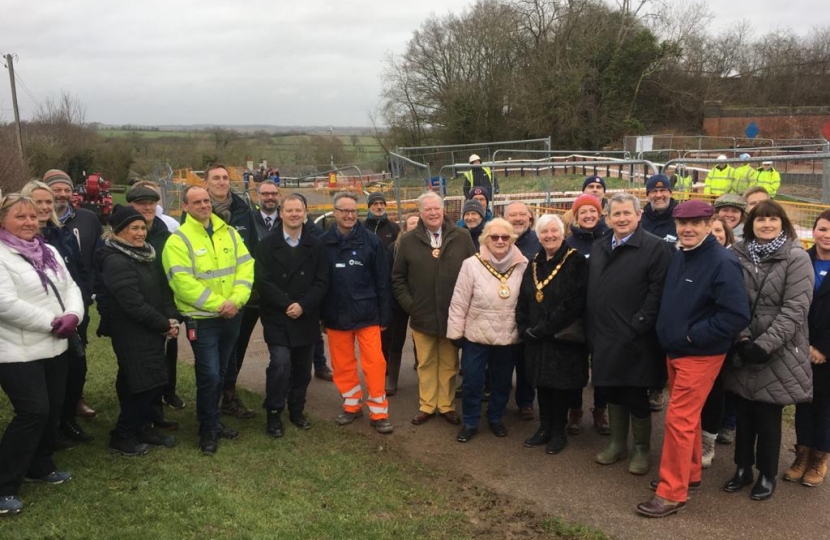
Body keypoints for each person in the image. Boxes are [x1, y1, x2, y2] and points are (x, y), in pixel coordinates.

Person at [636, 200, 749, 518]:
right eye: (682, 223)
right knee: (688, 420)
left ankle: (671, 492)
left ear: (708, 223)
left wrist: (692, 336)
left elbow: (736, 314)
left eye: (696, 223)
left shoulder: (722, 262)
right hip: (676, 351)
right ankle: (689, 474)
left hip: (699, 354)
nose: (687, 229)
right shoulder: (682, 254)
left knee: (679, 420)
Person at [723, 200, 813, 501]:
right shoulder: (736, 254)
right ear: (751, 224)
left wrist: (765, 344)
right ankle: (742, 467)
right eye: (761, 220)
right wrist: (744, 338)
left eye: (773, 220)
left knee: (768, 413)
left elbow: (796, 307)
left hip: (780, 347)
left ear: (782, 223)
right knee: (744, 409)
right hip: (744, 341)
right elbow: (731, 298)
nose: (766, 225)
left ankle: (767, 473)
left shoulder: (796, 258)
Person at [0, 194, 83, 515]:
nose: (29, 222)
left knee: (53, 408)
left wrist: (73, 315)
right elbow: (5, 304)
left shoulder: (47, 251)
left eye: (33, 217)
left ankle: (40, 464)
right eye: (20, 217)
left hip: (55, 344)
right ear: (3, 220)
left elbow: (71, 287)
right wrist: (52, 322)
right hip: (15, 350)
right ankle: (5, 483)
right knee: (33, 411)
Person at [162, 186, 254, 455]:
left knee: (223, 371)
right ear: (186, 206)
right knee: (210, 374)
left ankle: (212, 420)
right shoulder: (178, 240)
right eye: (197, 202)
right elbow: (182, 283)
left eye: (206, 201)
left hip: (231, 316)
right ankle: (208, 429)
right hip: (202, 319)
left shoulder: (230, 232)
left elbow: (246, 266)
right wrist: (219, 304)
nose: (203, 205)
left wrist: (235, 300)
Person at [587, 193, 673, 476]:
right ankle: (616, 444)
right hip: (604, 335)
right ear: (607, 218)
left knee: (635, 394)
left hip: (637, 337)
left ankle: (641, 449)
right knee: (611, 388)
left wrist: (638, 325)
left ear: (639, 216)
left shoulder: (656, 248)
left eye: (627, 213)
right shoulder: (600, 247)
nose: (622, 218)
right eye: (616, 214)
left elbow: (657, 293)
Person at [96, 206, 180, 455]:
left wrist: (170, 317)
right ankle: (122, 435)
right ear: (120, 231)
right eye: (134, 228)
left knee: (148, 382)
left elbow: (161, 289)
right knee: (141, 384)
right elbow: (132, 304)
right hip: (131, 332)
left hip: (150, 329)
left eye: (143, 227)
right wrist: (163, 324)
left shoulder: (144, 255)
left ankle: (140, 428)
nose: (140, 232)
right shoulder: (115, 260)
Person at [20, 181, 94, 447]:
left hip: (73, 315)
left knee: (75, 370)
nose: (43, 207)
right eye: (37, 202)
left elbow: (77, 273)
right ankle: (47, 431)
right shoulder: (20, 239)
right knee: (46, 381)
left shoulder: (59, 234)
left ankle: (65, 420)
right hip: (40, 321)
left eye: (47, 202)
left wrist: (82, 305)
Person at [393, 192, 476, 426]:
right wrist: (412, 306)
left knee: (450, 364)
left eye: (436, 208)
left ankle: (447, 405)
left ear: (444, 210)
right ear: (420, 213)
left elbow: (474, 273)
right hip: (422, 316)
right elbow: (398, 278)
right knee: (426, 362)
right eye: (427, 209)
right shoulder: (408, 241)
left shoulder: (462, 236)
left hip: (453, 316)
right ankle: (428, 405)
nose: (432, 213)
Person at [447, 218, 528, 442]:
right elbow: (459, 300)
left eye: (505, 237)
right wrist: (455, 331)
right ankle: (471, 422)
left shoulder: (523, 264)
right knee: (473, 382)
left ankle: (495, 417)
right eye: (494, 237)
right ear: (485, 239)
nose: (500, 241)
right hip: (476, 335)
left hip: (508, 335)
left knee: (502, 382)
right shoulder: (471, 264)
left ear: (512, 239)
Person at [255, 194, 329, 438]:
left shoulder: (316, 245)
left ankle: (297, 410)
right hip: (278, 316)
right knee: (280, 364)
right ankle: (274, 413)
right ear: (281, 213)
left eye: (299, 210)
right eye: (290, 210)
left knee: (302, 368)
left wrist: (304, 305)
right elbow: (263, 281)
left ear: (306, 213)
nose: (295, 214)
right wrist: (288, 304)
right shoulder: (266, 245)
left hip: (306, 317)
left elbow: (322, 281)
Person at [320, 192, 393, 434]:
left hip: (367, 314)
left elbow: (383, 280)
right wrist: (322, 315)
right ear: (335, 213)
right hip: (335, 315)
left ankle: (379, 412)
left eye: (353, 211)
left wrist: (384, 316)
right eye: (344, 211)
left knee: (374, 364)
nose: (350, 215)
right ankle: (351, 406)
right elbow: (319, 282)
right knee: (342, 365)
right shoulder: (323, 242)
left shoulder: (371, 242)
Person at [516, 214, 589, 454]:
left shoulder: (576, 261)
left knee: (559, 386)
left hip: (562, 337)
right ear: (538, 235)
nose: (549, 236)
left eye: (553, 231)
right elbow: (524, 298)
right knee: (542, 384)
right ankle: (544, 427)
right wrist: (524, 325)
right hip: (536, 337)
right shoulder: (535, 262)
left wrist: (543, 328)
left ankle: (558, 431)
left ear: (563, 232)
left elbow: (574, 302)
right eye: (544, 232)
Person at [202, 164, 259, 421]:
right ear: (207, 182)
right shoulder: (197, 210)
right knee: (211, 354)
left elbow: (252, 253)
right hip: (207, 300)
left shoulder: (242, 210)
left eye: (225, 177)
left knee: (236, 347)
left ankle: (229, 394)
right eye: (216, 177)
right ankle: (209, 402)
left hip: (238, 297)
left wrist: (245, 293)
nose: (222, 182)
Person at [44, 170, 101, 424]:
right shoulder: (39, 223)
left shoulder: (88, 218)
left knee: (79, 353)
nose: (63, 194)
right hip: (46, 304)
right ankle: (52, 410)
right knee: (54, 357)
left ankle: (76, 399)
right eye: (57, 190)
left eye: (67, 190)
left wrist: (88, 292)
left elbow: (96, 256)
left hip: (79, 300)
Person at [125, 184, 185, 422]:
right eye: (141, 204)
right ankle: (144, 409)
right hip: (139, 304)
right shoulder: (126, 232)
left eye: (151, 203)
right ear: (132, 205)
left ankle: (168, 392)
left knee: (169, 351)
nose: (147, 207)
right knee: (144, 359)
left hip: (165, 301)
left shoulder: (167, 233)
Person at [785, 210, 830, 486]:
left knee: (826, 407)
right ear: (813, 231)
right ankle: (801, 455)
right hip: (802, 347)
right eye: (823, 229)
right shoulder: (803, 260)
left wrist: (824, 348)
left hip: (827, 353)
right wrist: (804, 344)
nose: (827, 235)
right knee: (804, 404)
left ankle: (819, 459)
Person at [564, 194, 611, 435]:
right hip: (577, 316)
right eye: (583, 212)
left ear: (600, 213)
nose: (588, 216)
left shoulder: (610, 240)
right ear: (576, 216)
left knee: (601, 366)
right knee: (575, 366)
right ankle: (575, 410)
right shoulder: (569, 244)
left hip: (603, 316)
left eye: (592, 211)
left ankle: (600, 410)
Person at [505, 202, 540, 421]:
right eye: (513, 215)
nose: (518, 218)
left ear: (530, 218)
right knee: (504, 360)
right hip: (503, 311)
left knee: (527, 361)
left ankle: (526, 401)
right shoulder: (498, 239)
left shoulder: (540, 241)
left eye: (522, 215)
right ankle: (500, 396)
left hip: (531, 312)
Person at [385, 213, 421, 396]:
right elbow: (390, 275)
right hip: (398, 300)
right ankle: (392, 379)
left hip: (420, 300)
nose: (415, 226)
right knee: (396, 340)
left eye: (417, 223)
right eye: (411, 223)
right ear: (405, 228)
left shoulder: (426, 245)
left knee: (420, 340)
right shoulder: (394, 247)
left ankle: (422, 373)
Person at [640, 174, 678, 244]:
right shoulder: (639, 221)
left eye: (663, 190)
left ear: (670, 193)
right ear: (647, 196)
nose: (658, 195)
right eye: (654, 191)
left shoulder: (681, 219)